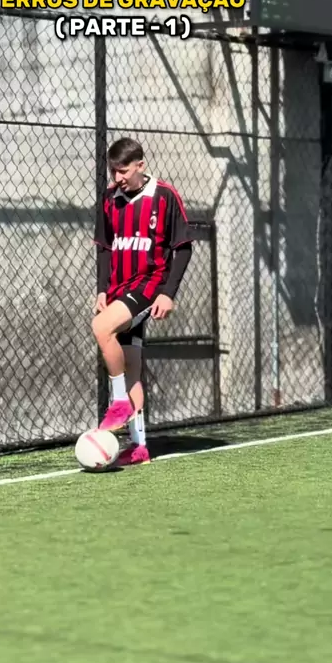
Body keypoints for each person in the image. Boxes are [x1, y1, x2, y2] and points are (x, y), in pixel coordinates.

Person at [92, 137, 193, 467]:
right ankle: (139, 447)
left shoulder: (164, 196)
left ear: (140, 165)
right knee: (131, 365)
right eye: (114, 171)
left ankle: (119, 401)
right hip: (119, 290)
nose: (118, 177)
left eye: (123, 171)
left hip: (149, 286)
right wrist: (103, 289)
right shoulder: (109, 199)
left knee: (101, 328)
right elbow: (105, 247)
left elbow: (183, 248)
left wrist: (168, 293)